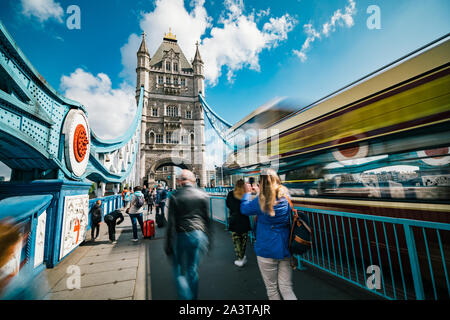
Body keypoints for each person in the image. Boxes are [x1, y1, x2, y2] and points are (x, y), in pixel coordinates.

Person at [240, 168, 297, 300]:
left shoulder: (259, 201)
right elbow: (272, 197)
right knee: (286, 288)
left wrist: (247, 194)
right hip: (285, 247)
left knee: (272, 289)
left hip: (266, 249)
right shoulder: (286, 196)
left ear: (261, 183)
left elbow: (244, 209)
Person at [165, 170, 212, 300]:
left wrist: (168, 244)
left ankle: (186, 299)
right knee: (192, 269)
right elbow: (207, 219)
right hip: (199, 234)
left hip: (182, 235)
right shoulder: (202, 194)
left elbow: (171, 224)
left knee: (179, 269)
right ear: (193, 180)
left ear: (180, 181)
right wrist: (209, 239)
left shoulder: (175, 195)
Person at [226, 179, 251, 267]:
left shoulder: (230, 194)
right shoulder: (246, 195)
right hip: (244, 220)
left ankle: (240, 258)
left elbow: (228, 204)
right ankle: (242, 257)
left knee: (236, 241)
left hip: (234, 220)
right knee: (243, 241)